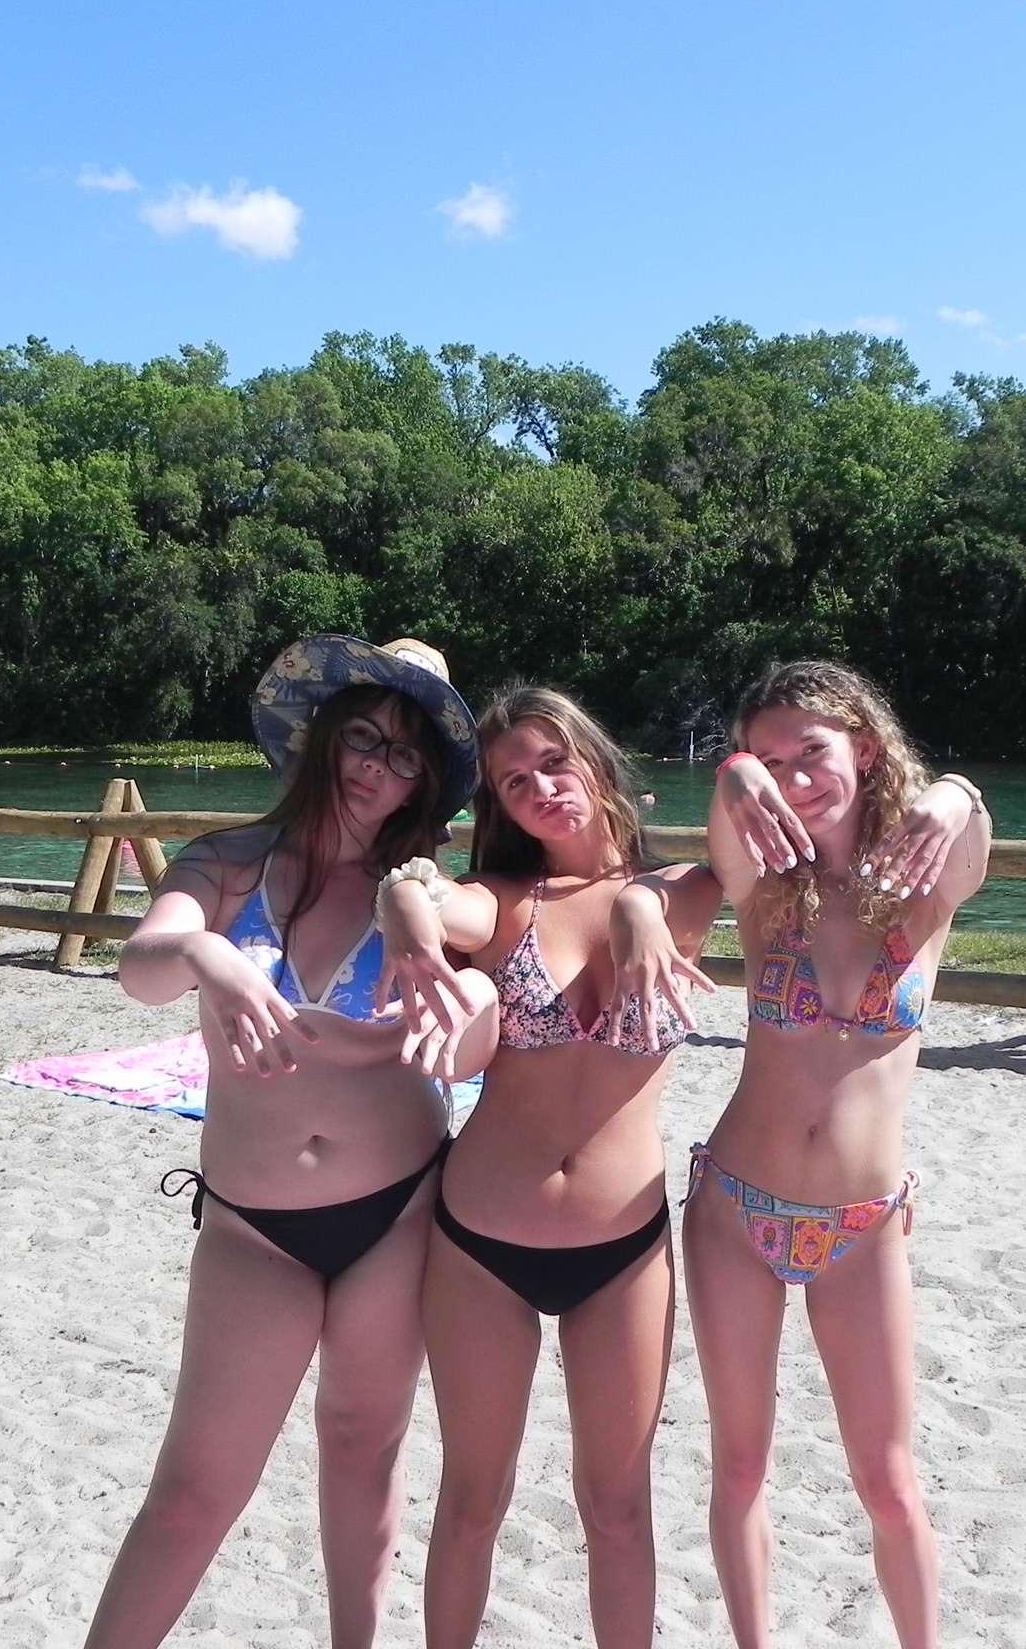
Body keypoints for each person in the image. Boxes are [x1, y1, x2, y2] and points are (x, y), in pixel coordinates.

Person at [83, 635, 493, 1649]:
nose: (377, 770)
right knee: (192, 1491)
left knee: (363, 1454)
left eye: (406, 757)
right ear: (320, 735)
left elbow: (482, 987)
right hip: (252, 1226)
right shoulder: (227, 864)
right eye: (364, 739)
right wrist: (206, 953)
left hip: (395, 1212)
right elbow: (141, 969)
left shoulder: (422, 894)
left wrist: (439, 941)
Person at [375, 684, 727, 1649]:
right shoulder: (504, 900)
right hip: (480, 1241)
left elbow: (756, 799)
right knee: (473, 1498)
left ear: (598, 761)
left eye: (554, 761)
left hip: (624, 1251)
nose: (539, 788)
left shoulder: (693, 891)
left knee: (617, 1506)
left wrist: (647, 900)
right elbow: (420, 886)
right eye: (512, 779)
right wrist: (402, 907)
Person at [688, 659, 988, 1649]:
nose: (791, 776)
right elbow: (727, 819)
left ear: (862, 746)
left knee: (891, 1484)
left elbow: (971, 835)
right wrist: (737, 772)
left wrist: (954, 792)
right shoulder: (766, 887)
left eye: (809, 752)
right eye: (771, 759)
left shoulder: (921, 880)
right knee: (739, 1467)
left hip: (864, 1226)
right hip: (735, 1207)